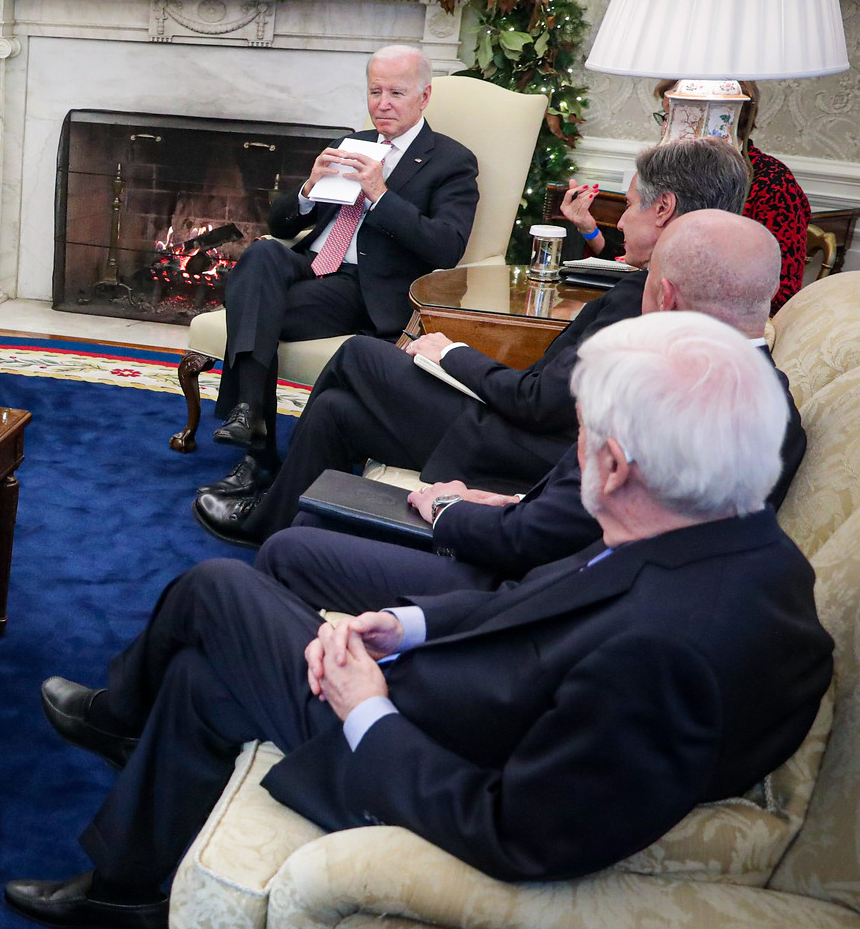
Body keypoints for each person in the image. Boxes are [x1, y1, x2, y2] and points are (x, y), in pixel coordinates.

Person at [10, 311, 833, 929]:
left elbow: (513, 831)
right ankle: (129, 883)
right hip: (447, 691)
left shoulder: (667, 655)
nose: (569, 452)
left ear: (615, 465)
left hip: (421, 747)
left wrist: (367, 707)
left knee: (216, 586)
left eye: (580, 433)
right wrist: (409, 623)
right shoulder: (729, 548)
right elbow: (544, 606)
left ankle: (118, 721)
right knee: (202, 681)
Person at [196, 136, 751, 544]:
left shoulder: (650, 296)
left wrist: (453, 355)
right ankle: (286, 514)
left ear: (664, 208)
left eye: (630, 205)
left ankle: (268, 499)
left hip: (521, 446)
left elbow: (540, 402)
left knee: (360, 355)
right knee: (339, 407)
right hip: (523, 426)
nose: (623, 219)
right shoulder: (696, 286)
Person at [254, 211, 808, 610]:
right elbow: (584, 514)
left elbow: (538, 539)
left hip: (539, 596)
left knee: (291, 545)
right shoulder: (776, 413)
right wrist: (512, 501)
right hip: (556, 552)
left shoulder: (659, 393)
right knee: (331, 445)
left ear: (664, 297)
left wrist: (449, 507)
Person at [205, 45, 479, 493]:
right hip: (313, 266)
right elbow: (281, 225)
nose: (382, 103)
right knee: (261, 252)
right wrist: (308, 190)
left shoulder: (451, 161)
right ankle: (250, 417)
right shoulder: (352, 143)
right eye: (375, 91)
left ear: (424, 97)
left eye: (396, 92)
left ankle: (257, 452)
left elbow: (445, 247)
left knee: (252, 305)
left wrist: (381, 195)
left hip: (365, 289)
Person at [561, 81, 811, 311]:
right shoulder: (671, 175)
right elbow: (638, 258)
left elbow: (780, 296)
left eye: (672, 117)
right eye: (665, 117)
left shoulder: (773, 184)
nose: (664, 129)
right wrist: (589, 229)